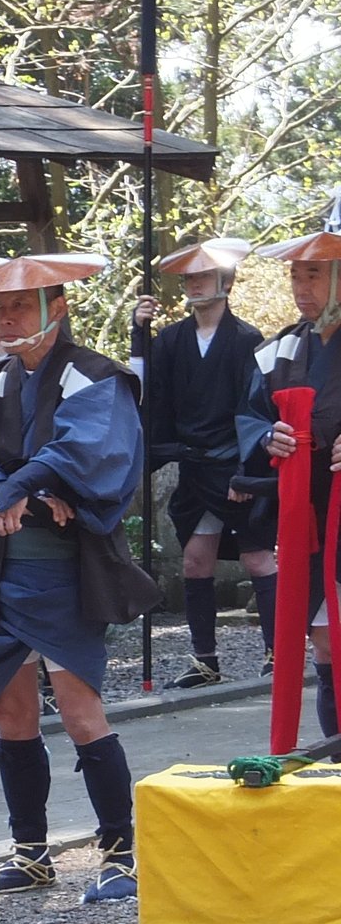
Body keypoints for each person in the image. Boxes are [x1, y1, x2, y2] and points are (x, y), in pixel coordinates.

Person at [0, 254, 157, 903]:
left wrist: (22, 484)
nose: (5, 318)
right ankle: (31, 851)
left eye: (19, 305)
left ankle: (119, 853)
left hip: (67, 570)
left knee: (79, 707)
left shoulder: (96, 376)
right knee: (10, 710)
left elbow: (90, 455)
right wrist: (28, 495)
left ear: (55, 307)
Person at [132, 238, 269, 688]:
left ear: (224, 282)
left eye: (203, 276)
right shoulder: (170, 339)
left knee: (257, 558)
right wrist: (140, 331)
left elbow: (255, 409)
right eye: (188, 277)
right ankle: (205, 660)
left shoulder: (246, 339)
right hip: (194, 465)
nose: (193, 284)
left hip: (234, 465)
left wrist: (248, 470)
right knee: (195, 561)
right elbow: (144, 389)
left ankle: (275, 652)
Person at [238, 223, 341, 740]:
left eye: (315, 276)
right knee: (325, 640)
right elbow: (248, 415)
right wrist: (266, 436)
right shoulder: (278, 350)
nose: (302, 289)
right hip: (309, 511)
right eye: (296, 277)